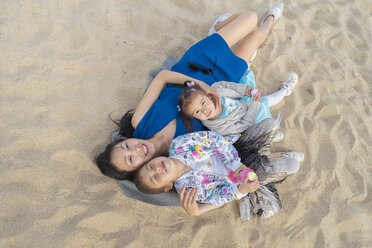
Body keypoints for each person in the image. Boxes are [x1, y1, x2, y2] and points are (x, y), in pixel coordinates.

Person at [95, 3, 286, 180]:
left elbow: (162, 77)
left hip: (196, 64)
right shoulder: (176, 156)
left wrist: (200, 85)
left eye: (126, 146)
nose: (135, 150)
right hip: (225, 82)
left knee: (250, 17)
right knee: (256, 36)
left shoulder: (140, 121)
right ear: (136, 170)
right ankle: (270, 18)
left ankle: (218, 27)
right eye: (130, 159)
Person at [134, 131, 304, 216]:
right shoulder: (186, 190)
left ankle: (266, 145)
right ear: (167, 186)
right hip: (239, 182)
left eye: (150, 166)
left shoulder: (178, 145)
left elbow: (213, 139)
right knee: (292, 165)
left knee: (266, 129)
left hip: (234, 150)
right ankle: (277, 157)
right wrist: (239, 190)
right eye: (156, 177)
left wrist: (235, 164)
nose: (156, 169)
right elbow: (216, 196)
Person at [177, 71, 299, 136]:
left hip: (241, 104)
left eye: (203, 103)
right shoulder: (218, 127)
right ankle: (285, 91)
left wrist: (248, 91)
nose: (204, 110)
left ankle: (284, 91)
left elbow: (231, 87)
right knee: (264, 103)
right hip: (250, 119)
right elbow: (244, 125)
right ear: (195, 117)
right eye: (197, 112)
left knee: (246, 74)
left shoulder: (216, 91)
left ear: (208, 95)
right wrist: (254, 106)